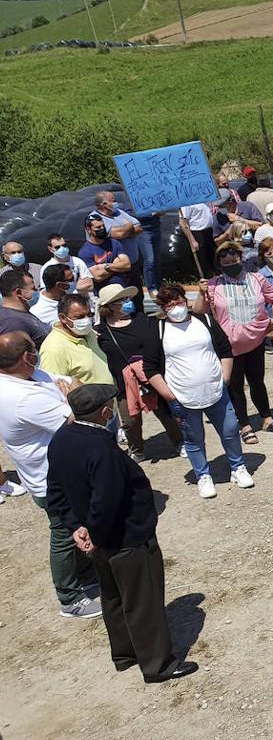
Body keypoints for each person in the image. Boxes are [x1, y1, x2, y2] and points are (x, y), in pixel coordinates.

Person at [45, 383, 197, 682]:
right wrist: (95, 534)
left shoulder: (61, 439)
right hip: (126, 538)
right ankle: (158, 664)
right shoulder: (103, 449)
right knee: (143, 600)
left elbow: (56, 492)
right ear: (104, 411)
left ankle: (125, 653)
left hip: (98, 539)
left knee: (112, 596)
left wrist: (77, 527)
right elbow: (108, 501)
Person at [0, 332, 102, 620]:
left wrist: (72, 394)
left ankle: (86, 575)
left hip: (65, 470)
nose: (38, 352)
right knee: (63, 533)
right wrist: (71, 397)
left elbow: (72, 387)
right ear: (26, 358)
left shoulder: (31, 375)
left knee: (78, 524)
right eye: (34, 349)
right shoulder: (20, 396)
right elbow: (79, 415)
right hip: (50, 479)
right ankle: (69, 598)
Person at [145, 285, 252, 499]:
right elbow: (150, 367)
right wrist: (169, 395)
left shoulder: (205, 321)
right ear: (163, 308)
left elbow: (224, 349)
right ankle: (203, 475)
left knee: (230, 430)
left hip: (216, 389)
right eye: (170, 304)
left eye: (179, 302)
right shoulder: (157, 330)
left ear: (186, 300)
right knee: (193, 438)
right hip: (182, 395)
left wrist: (225, 378)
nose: (176, 307)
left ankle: (238, 468)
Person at [197, 242, 273, 442]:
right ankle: (244, 424)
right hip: (229, 345)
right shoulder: (212, 284)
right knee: (235, 386)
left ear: (241, 258)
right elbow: (199, 311)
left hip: (255, 340)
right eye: (225, 262)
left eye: (234, 260)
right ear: (219, 263)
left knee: (257, 381)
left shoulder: (257, 278)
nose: (231, 264)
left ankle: (267, 418)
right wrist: (202, 293)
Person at [95, 284, 183, 462]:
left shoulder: (143, 319)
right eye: (121, 300)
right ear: (109, 306)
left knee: (166, 413)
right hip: (124, 383)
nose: (127, 302)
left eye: (127, 298)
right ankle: (137, 450)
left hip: (151, 376)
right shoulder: (100, 332)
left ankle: (180, 442)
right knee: (130, 420)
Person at [39, 293, 112, 386]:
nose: (87, 320)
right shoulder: (53, 349)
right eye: (79, 317)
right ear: (63, 318)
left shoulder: (88, 333)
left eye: (89, 315)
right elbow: (55, 388)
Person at [80, 212, 132, 292]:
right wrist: (116, 264)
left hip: (122, 290)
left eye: (103, 226)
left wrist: (106, 266)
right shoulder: (85, 252)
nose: (102, 228)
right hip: (104, 294)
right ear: (88, 229)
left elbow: (127, 265)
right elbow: (97, 277)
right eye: (98, 227)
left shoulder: (114, 243)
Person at [0, 269, 51, 344]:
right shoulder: (12, 323)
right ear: (19, 292)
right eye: (33, 288)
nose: (37, 292)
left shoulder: (21, 314)